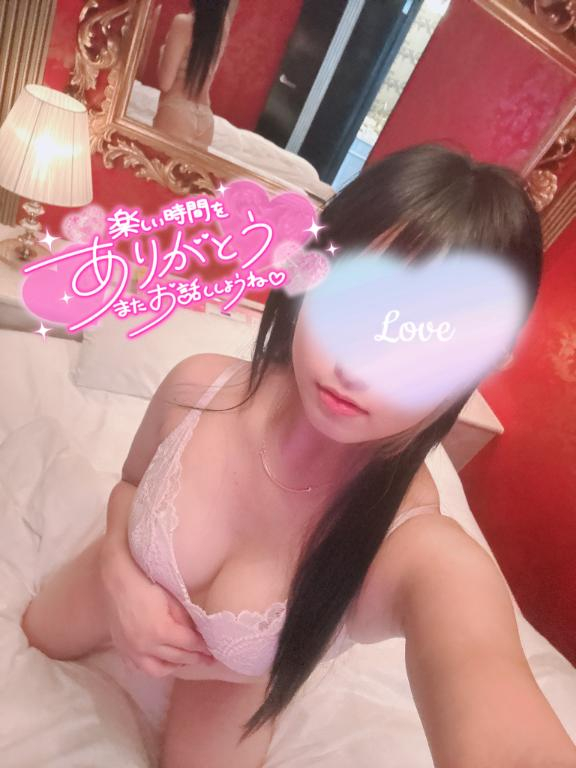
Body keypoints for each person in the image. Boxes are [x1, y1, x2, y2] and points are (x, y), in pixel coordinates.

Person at [20, 144, 576, 767]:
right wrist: (122, 578)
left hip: (235, 683)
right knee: (30, 642)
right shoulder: (195, 388)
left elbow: (482, 671)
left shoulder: (413, 547)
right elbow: (129, 485)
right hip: (106, 586)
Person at [152, 0, 239, 147]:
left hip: (176, 112)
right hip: (206, 118)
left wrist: (163, 52)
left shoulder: (182, 23)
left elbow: (165, 83)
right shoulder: (222, 27)